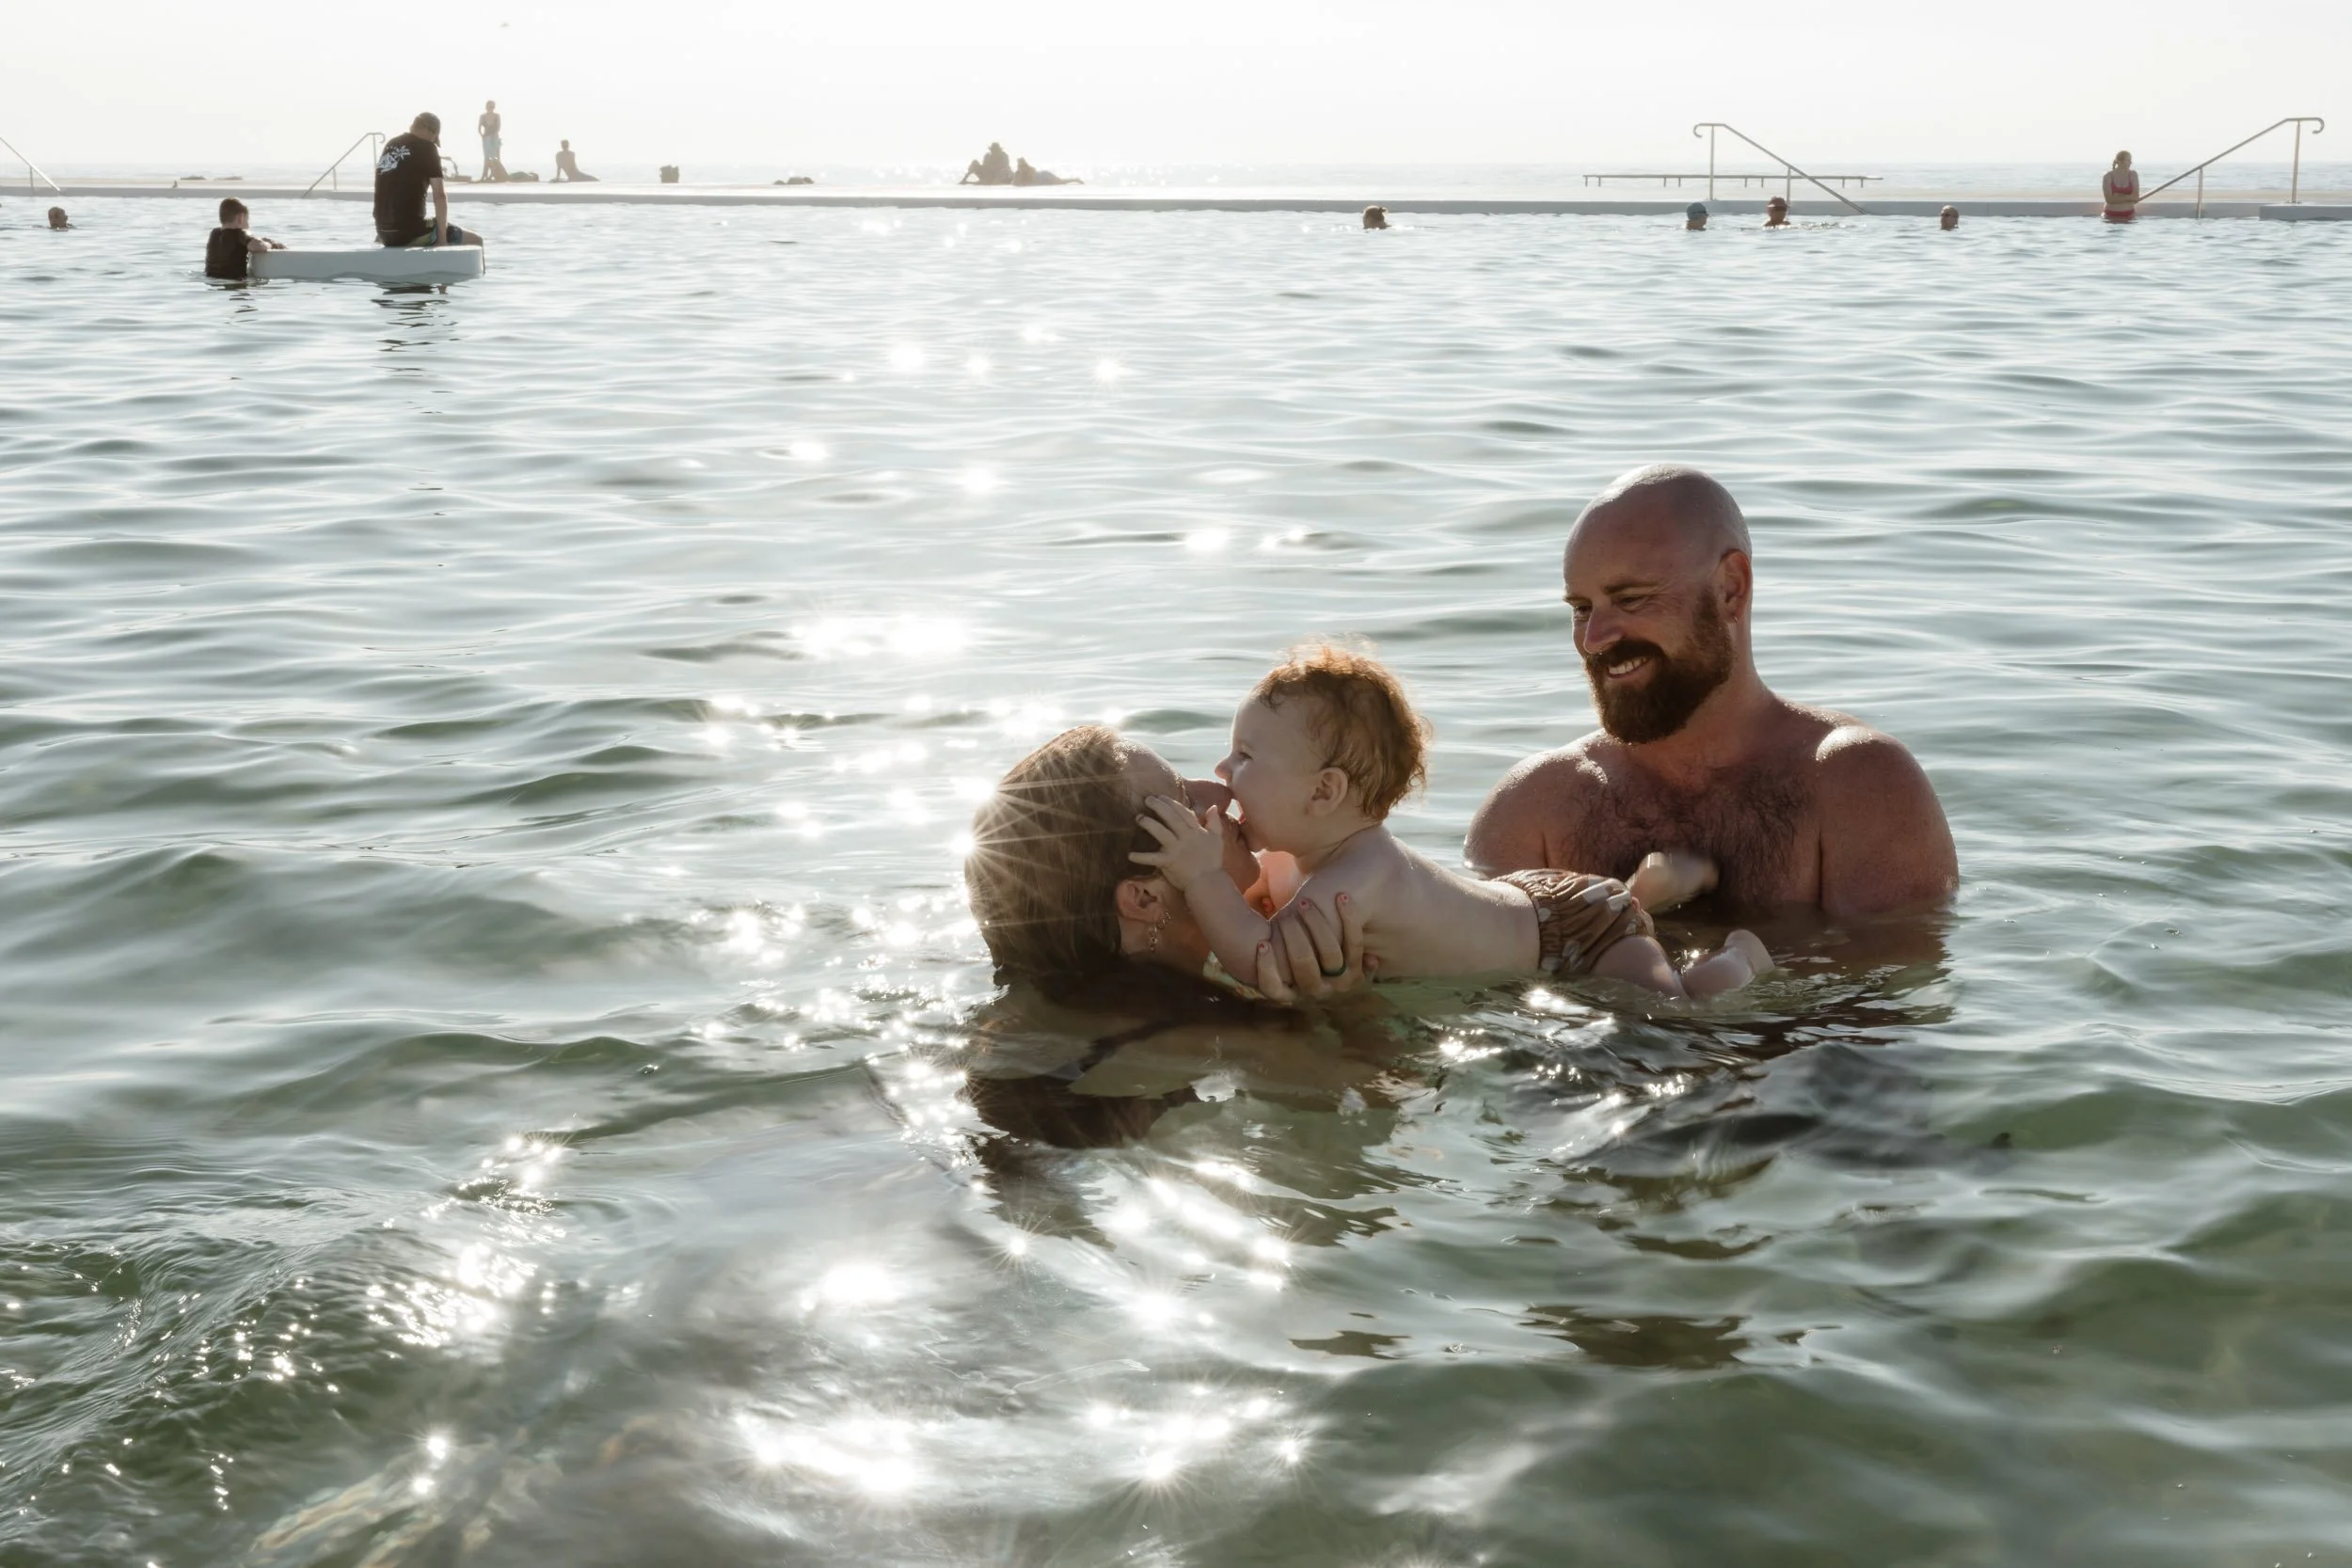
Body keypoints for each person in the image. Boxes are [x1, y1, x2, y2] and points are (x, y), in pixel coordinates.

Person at [1130, 645, 1772, 998]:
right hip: (1534, 900)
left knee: (1677, 1011)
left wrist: (1201, 878)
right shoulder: (1306, 859)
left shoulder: (1360, 875)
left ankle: (1740, 957)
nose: (1223, 765)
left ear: (1325, 792)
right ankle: (1645, 892)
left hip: (1579, 935)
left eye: (1244, 756)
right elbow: (1262, 908)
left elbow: (1261, 957)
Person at [1466, 465, 1959, 920]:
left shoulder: (1859, 787)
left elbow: (1889, 1003)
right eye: (1581, 608)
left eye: (1631, 599)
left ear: (1730, 588)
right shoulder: (1533, 811)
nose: (1594, 639)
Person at [966, 725, 1375, 1003]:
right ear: (1143, 899)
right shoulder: (1194, 1039)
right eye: (1187, 801)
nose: (1221, 793)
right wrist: (1342, 1012)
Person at [374, 113, 482, 247]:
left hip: (384, 234)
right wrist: (442, 240)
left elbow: (387, 188)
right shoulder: (427, 148)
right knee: (476, 240)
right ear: (431, 130)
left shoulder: (391, 145)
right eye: (434, 137)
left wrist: (384, 234)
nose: (433, 141)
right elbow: (440, 196)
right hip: (410, 233)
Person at [203, 197, 284, 280]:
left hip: (211, 280)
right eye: (247, 220)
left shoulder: (214, 233)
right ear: (240, 218)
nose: (248, 226)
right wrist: (270, 244)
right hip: (234, 283)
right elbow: (256, 245)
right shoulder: (240, 233)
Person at [2102, 150, 2140, 222]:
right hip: (2110, 215)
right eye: (2128, 160)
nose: (2130, 163)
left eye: (2130, 160)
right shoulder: (2108, 176)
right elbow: (2109, 200)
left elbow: (2136, 198)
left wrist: (2117, 197)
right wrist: (2129, 198)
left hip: (2129, 215)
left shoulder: (2133, 174)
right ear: (2119, 161)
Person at [477, 100, 507, 182]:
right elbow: (479, 128)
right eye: (490, 106)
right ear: (486, 107)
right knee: (487, 158)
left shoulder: (497, 115)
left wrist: (494, 136)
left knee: (496, 157)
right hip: (486, 138)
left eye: (493, 106)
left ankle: (494, 175)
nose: (491, 108)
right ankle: (484, 175)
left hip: (495, 138)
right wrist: (482, 135)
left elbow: (498, 127)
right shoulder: (482, 116)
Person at [1011, 157, 1081, 186]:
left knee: (1060, 182)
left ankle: (1075, 179)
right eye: (1019, 166)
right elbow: (1015, 184)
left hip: (1045, 176)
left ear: (1025, 165)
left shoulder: (1030, 170)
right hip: (1043, 179)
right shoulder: (1018, 173)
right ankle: (1075, 179)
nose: (1021, 168)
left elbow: (1032, 182)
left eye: (1022, 166)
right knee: (1060, 182)